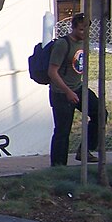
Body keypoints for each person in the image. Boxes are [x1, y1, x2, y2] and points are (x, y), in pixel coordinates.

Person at [47, 13, 103, 165]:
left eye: (87, 29)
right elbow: (52, 72)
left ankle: (85, 150)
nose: (84, 32)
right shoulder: (63, 44)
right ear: (73, 28)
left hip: (78, 88)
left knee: (100, 113)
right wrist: (67, 92)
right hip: (61, 92)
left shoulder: (83, 44)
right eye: (81, 29)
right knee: (63, 131)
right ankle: (58, 167)